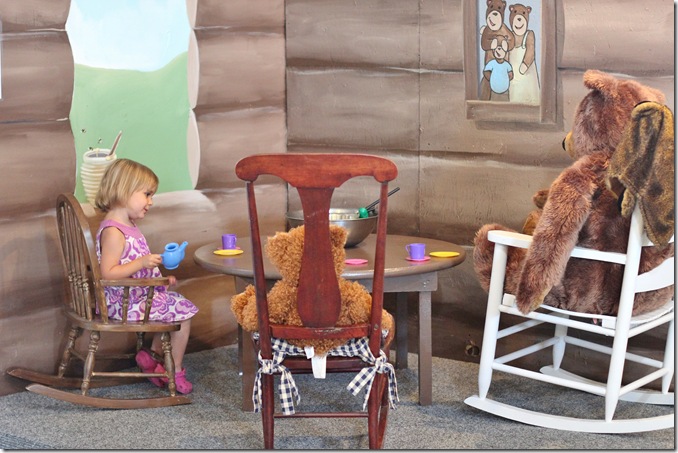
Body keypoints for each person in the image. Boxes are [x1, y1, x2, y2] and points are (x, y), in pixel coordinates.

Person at [94, 158, 198, 394]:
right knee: (183, 314)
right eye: (147, 194)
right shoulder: (113, 231)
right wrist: (141, 262)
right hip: (123, 303)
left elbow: (132, 266)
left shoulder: (128, 225)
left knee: (173, 302)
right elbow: (108, 273)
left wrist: (159, 281)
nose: (150, 201)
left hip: (135, 296)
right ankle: (173, 369)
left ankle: (152, 356)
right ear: (124, 191)